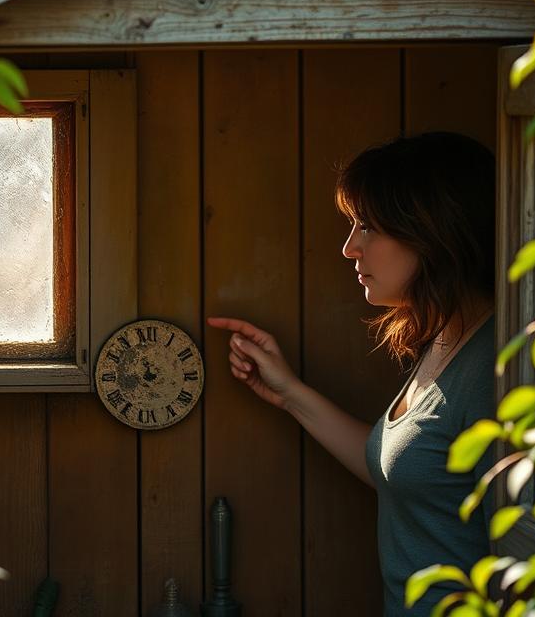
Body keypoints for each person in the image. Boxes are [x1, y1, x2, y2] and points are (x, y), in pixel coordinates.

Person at [208, 132, 497, 617]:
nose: (349, 248)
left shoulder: (492, 370)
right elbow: (400, 472)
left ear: (432, 231)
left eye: (368, 226)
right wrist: (289, 392)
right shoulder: (448, 337)